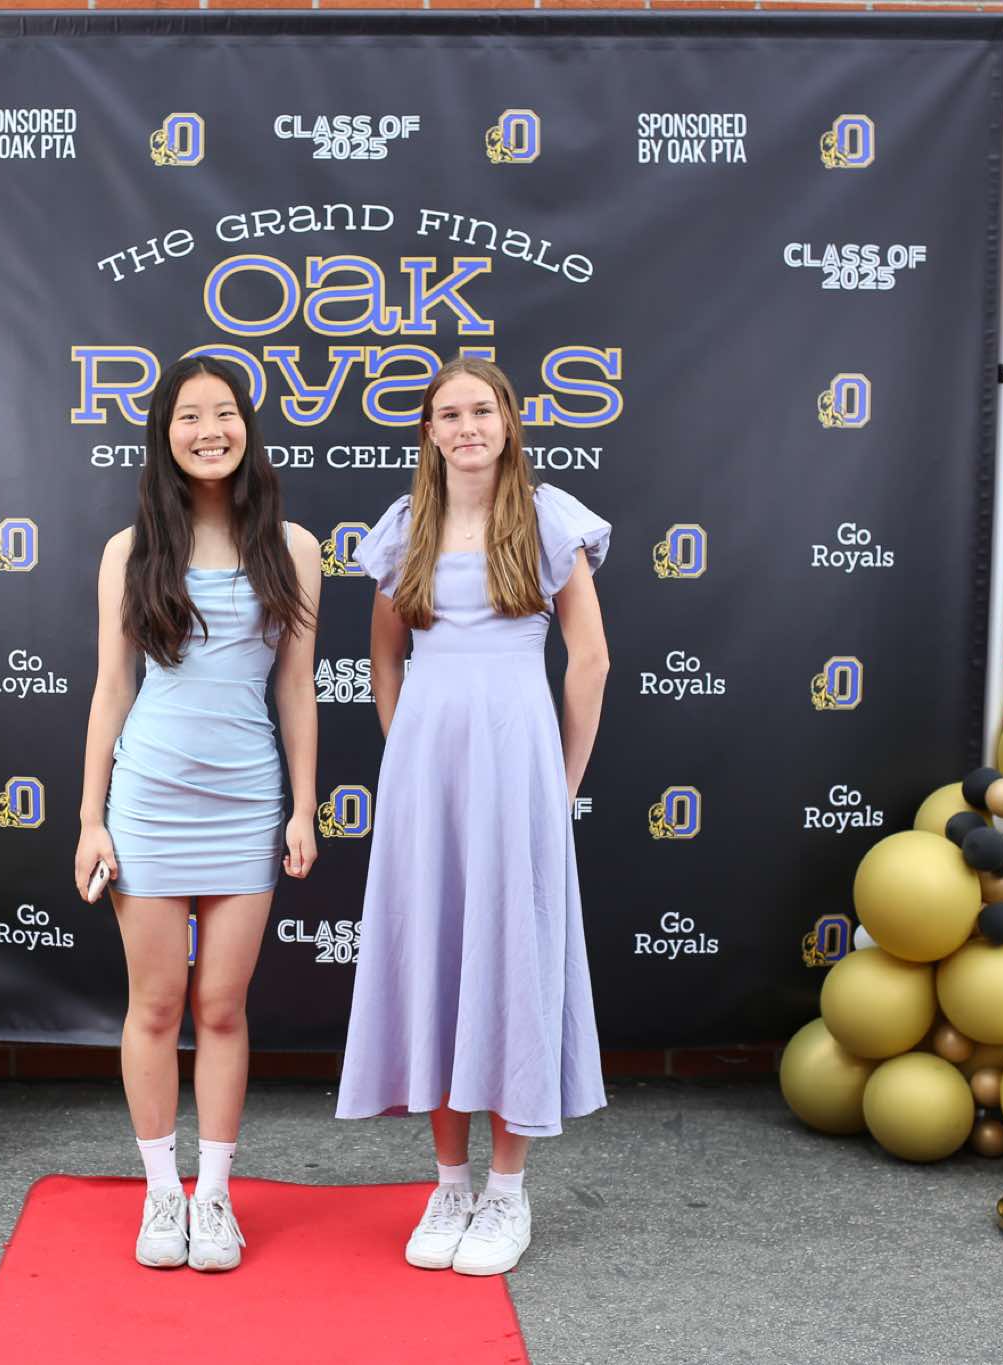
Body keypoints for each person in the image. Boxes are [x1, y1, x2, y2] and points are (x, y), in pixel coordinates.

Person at [336, 356, 610, 1277]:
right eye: (448, 414)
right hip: (429, 775)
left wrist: (562, 780)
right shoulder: (404, 527)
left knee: (511, 958)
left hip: (516, 764)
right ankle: (449, 1184)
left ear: (509, 421)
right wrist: (406, 749)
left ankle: (506, 1191)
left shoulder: (547, 519)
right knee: (439, 959)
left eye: (481, 411)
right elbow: (384, 658)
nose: (466, 427)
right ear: (429, 432)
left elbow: (590, 660)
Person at [74, 354, 321, 1272]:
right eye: (189, 415)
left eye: (224, 413)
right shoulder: (130, 550)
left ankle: (214, 1194)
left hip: (247, 802)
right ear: (164, 433)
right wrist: (90, 819)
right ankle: (161, 1193)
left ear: (246, 427)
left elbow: (296, 688)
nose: (209, 430)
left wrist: (303, 807)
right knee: (155, 1003)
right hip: (147, 803)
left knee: (220, 1006)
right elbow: (111, 688)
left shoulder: (293, 548)